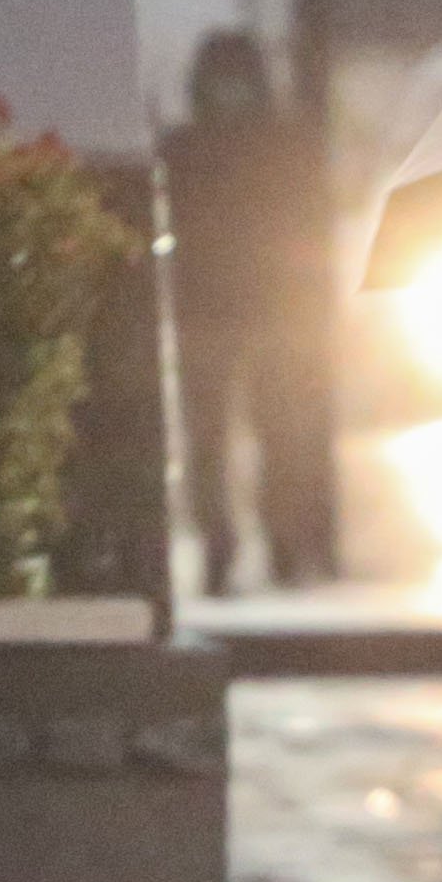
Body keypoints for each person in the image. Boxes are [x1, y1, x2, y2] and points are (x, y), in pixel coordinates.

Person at [162, 29, 337, 593]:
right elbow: (310, 226)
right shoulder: (286, 144)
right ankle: (279, 546)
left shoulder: (184, 146)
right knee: (277, 432)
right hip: (273, 309)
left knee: (213, 438)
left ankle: (225, 550)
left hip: (215, 307)